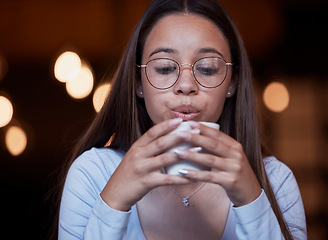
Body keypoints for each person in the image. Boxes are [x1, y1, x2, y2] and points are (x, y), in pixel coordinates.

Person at [58, 0, 307, 239]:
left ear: (232, 82)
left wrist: (252, 200)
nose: (186, 85)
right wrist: (113, 202)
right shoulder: (93, 174)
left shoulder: (275, 181)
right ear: (138, 82)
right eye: (165, 68)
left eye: (208, 68)